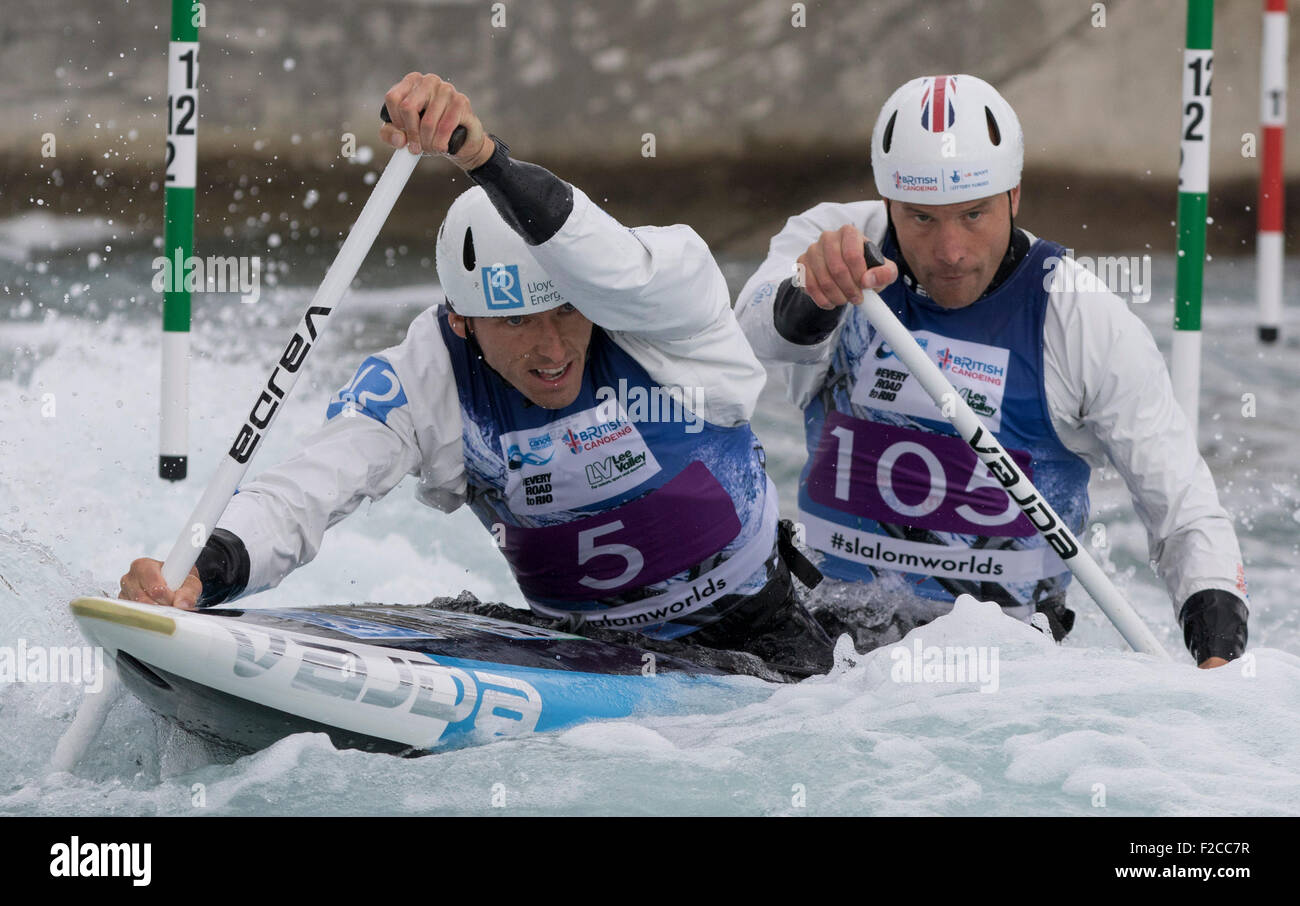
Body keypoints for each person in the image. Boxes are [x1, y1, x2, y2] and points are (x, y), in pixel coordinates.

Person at [120, 72, 833, 682]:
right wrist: (201, 572)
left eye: (562, 312)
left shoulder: (667, 304)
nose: (550, 348)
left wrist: (482, 156)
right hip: (581, 655)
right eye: (515, 324)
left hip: (760, 638)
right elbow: (306, 489)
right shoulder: (429, 373)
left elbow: (605, 258)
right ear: (463, 321)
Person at [735, 74, 1248, 667]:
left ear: (1014, 197)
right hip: (832, 648)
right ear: (889, 205)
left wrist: (1218, 661)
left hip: (1008, 669)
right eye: (922, 219)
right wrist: (812, 297)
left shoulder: (1080, 316)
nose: (950, 250)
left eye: (973, 214)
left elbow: (1183, 512)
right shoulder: (836, 248)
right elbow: (749, 333)